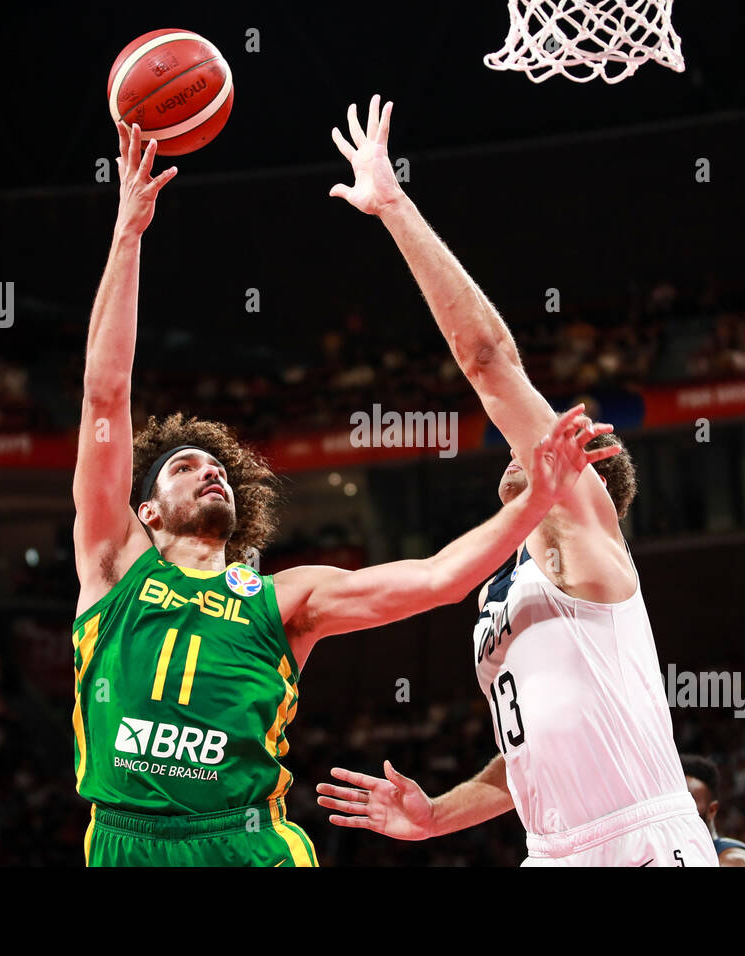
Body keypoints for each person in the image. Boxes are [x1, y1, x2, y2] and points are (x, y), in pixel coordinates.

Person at [71, 120, 624, 867]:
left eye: (219, 470)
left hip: (247, 842)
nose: (210, 473)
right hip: (123, 842)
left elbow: (437, 582)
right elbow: (106, 396)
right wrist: (128, 233)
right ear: (143, 512)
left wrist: (531, 503)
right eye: (184, 468)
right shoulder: (112, 567)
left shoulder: (286, 600)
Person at [315, 96, 717, 867]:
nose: (517, 445)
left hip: (640, 838)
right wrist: (434, 816)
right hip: (551, 849)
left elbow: (489, 363)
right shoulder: (503, 590)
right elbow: (524, 759)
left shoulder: (586, 542)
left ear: (584, 473)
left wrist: (395, 208)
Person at [681, 754, 745, 866]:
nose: (678, 809)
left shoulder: (737, 861)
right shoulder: (665, 854)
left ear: (712, 810)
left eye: (688, 801)